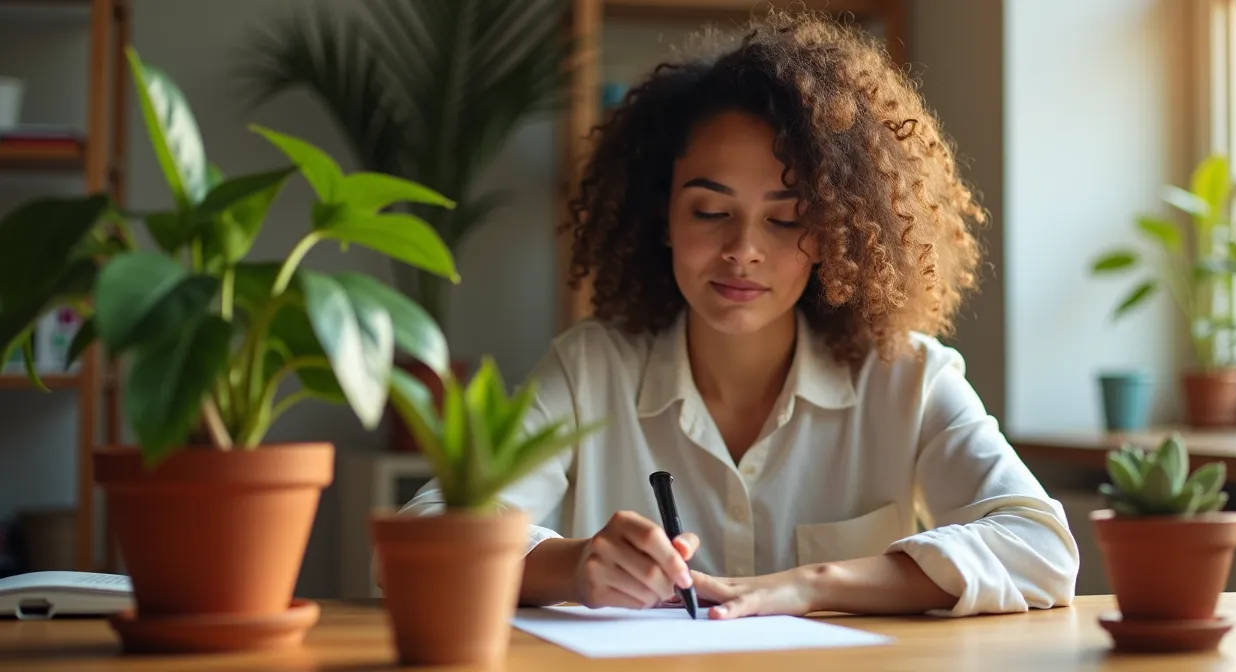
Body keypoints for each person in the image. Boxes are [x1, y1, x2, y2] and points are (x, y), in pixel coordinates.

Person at [400, 9, 1078, 620]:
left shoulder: (907, 375)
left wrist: (812, 584)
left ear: (835, 234)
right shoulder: (591, 371)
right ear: (661, 216)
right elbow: (423, 535)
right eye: (710, 212)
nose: (743, 251)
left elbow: (1041, 546)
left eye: (786, 220)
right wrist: (572, 566)